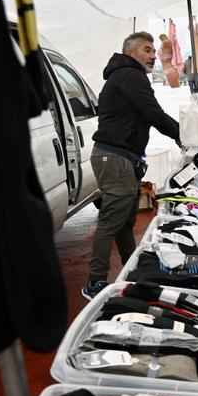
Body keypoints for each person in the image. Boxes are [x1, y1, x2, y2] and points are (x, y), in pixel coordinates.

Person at [82, 32, 181, 300]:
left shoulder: (125, 76)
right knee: (112, 220)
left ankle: (131, 266)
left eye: (153, 51)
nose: (152, 56)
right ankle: (95, 282)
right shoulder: (130, 76)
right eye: (146, 50)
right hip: (114, 158)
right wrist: (182, 133)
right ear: (130, 53)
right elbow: (153, 112)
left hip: (121, 157)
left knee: (125, 221)